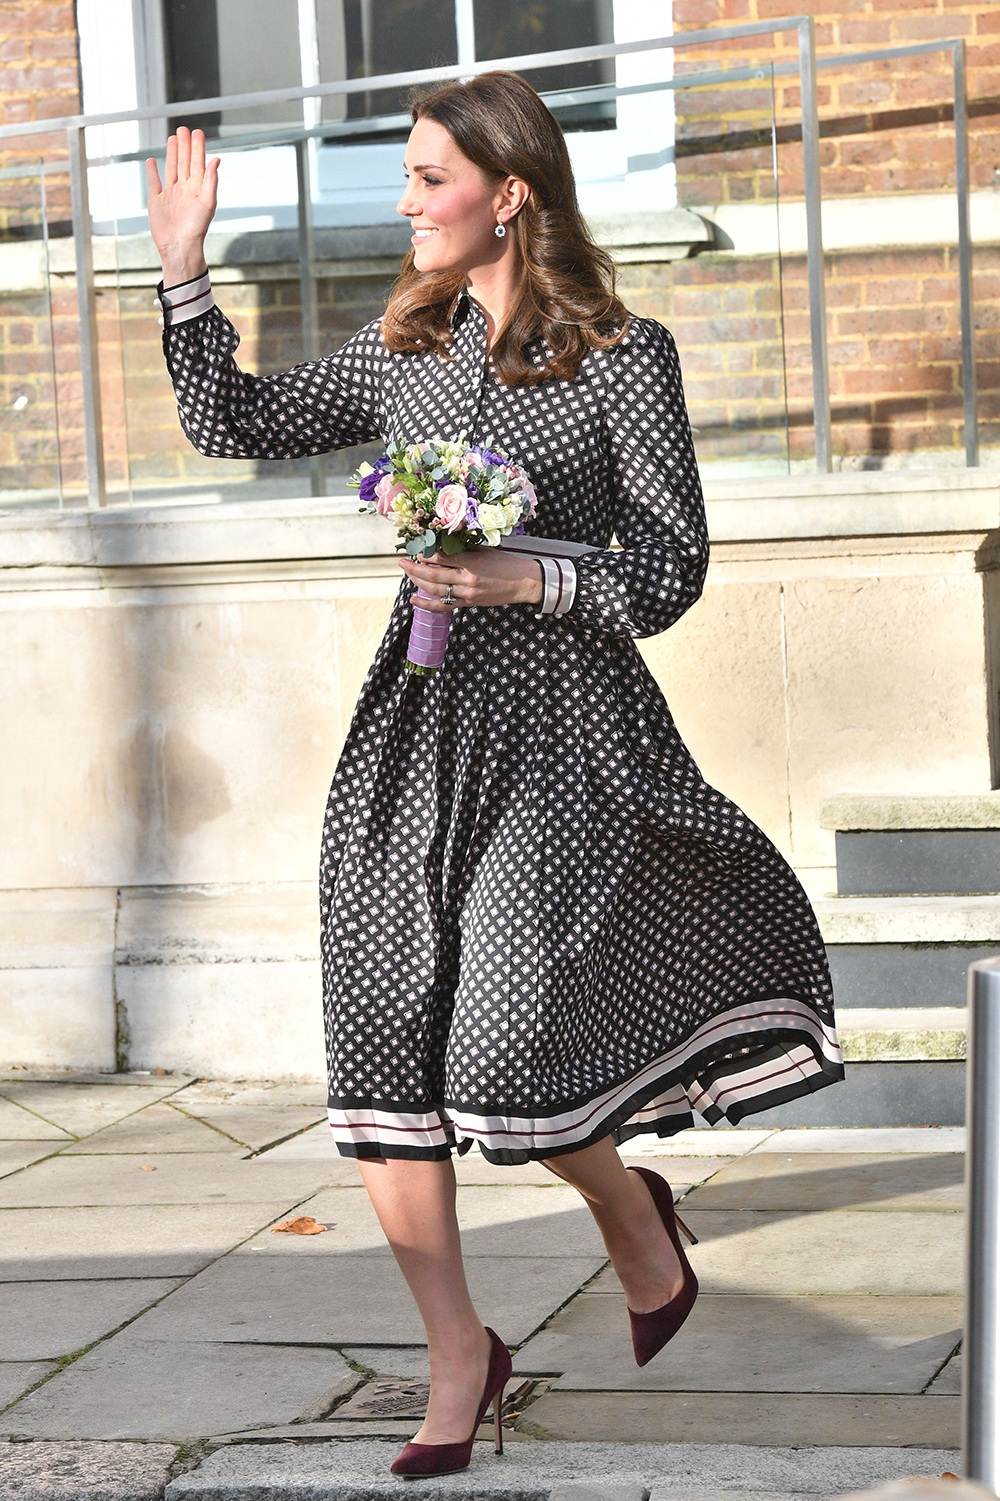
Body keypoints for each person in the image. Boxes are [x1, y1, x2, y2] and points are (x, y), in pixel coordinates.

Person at [147, 72, 843, 1478]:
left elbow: (671, 569)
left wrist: (535, 575)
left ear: (507, 192)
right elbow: (233, 421)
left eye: (424, 177)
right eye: (405, 176)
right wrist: (179, 276)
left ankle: (633, 1216)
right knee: (389, 1028)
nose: (402, 203)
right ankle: (459, 1347)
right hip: (416, 726)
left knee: (505, 1041)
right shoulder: (405, 348)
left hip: (568, 738)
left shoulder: (621, 358)